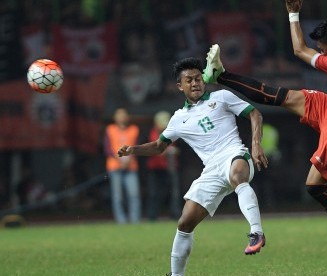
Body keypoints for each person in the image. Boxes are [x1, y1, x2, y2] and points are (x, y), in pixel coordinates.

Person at [202, 0, 327, 263]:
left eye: (322, 48)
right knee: (278, 96)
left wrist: (293, 13)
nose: (320, 51)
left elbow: (299, 49)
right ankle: (221, 75)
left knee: (313, 185)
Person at [118, 57, 268, 275]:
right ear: (180, 86)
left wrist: (255, 145)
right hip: (211, 170)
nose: (195, 83)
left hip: (235, 154)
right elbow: (159, 146)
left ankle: (257, 232)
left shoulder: (222, 97)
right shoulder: (178, 119)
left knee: (237, 176)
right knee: (184, 223)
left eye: (198, 78)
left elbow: (255, 113)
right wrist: (134, 150)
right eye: (189, 80)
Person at [104, 108, 141, 224]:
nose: (121, 117)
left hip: (131, 167)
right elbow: (107, 148)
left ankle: (135, 220)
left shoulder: (134, 130)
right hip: (115, 167)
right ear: (115, 118)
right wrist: (119, 160)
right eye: (119, 115)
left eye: (123, 115)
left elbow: (138, 146)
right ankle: (121, 221)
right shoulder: (110, 129)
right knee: (117, 197)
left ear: (127, 117)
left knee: (134, 194)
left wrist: (129, 159)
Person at [145, 110, 181, 221]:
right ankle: (152, 216)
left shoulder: (173, 133)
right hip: (155, 168)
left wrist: (174, 151)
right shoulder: (150, 134)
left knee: (174, 193)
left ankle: (175, 215)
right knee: (154, 193)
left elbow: (180, 150)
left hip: (170, 167)